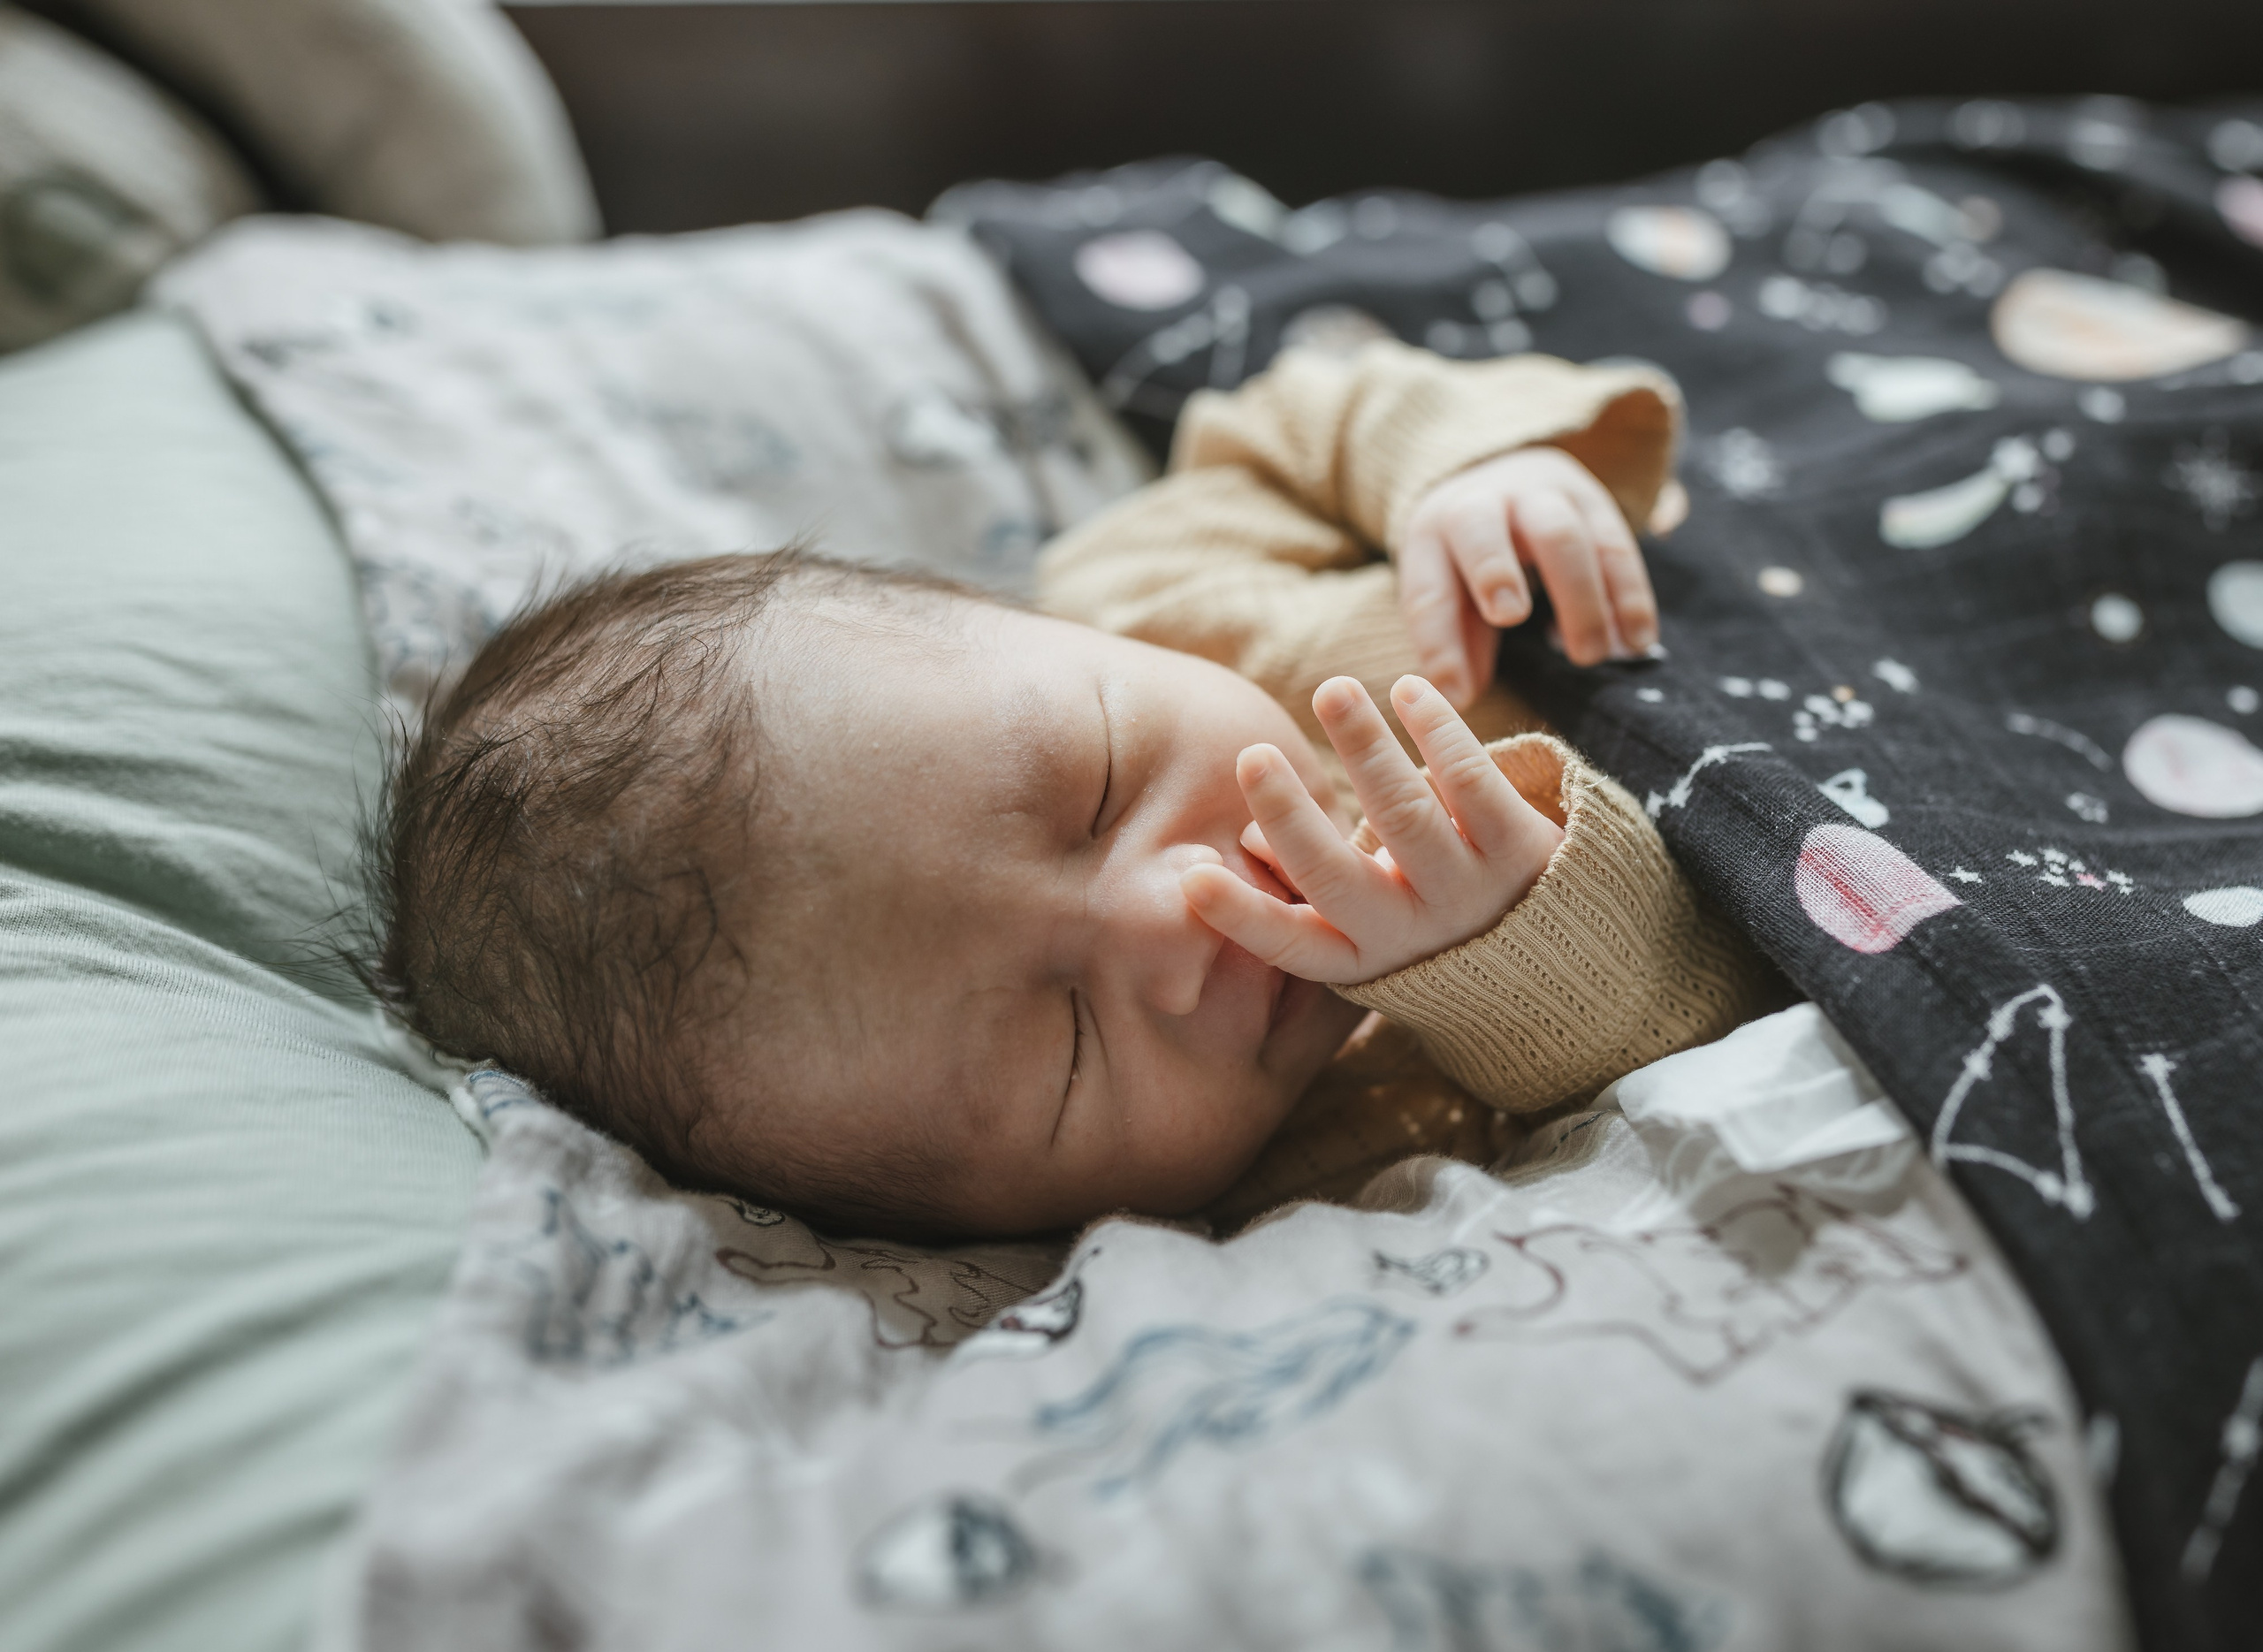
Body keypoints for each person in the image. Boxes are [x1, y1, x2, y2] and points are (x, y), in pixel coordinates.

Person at [375, 341, 1779, 1240]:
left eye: (1098, 785)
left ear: (1027, 623)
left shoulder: (1146, 588)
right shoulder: (1343, 1173)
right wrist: (1513, 950)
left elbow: (1302, 415)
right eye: (1066, 1049)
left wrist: (1461, 475)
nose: (1182, 909)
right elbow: (1707, 1035)